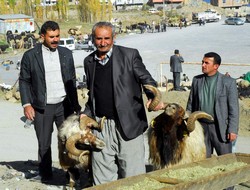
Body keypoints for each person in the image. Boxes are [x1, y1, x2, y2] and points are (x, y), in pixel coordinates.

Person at [82, 21, 164, 185]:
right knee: (102, 178)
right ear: (93, 39)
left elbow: (146, 79)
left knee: (133, 178)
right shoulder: (89, 61)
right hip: (102, 126)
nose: (103, 43)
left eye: (107, 38)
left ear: (114, 37)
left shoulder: (129, 55)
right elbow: (93, 93)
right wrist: (87, 113)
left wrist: (152, 95)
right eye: (98, 39)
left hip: (129, 124)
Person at [19, 21, 82, 183]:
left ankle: (72, 174)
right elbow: (24, 81)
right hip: (42, 107)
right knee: (44, 142)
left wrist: (75, 105)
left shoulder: (66, 54)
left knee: (68, 141)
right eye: (52, 37)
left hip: (64, 105)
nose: (56, 40)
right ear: (42, 37)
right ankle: (46, 175)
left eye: (58, 36)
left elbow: (72, 81)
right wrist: (27, 104)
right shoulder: (30, 56)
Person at [186, 52, 239, 159]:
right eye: (202, 62)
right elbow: (190, 104)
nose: (203, 65)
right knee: (202, 160)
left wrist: (232, 129)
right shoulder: (197, 80)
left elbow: (234, 109)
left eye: (206, 63)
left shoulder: (228, 82)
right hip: (200, 127)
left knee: (226, 161)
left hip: (220, 128)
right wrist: (187, 123)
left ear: (216, 66)